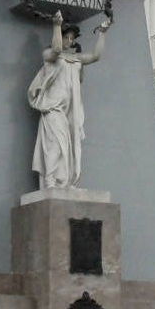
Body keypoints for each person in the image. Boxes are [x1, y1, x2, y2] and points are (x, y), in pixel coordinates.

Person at [27, 10, 110, 189]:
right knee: (56, 144)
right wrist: (56, 25)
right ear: (61, 36)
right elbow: (57, 49)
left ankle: (63, 182)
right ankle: (50, 181)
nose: (70, 41)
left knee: (68, 147)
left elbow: (95, 56)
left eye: (72, 38)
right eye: (67, 37)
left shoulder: (75, 58)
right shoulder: (50, 55)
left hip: (68, 112)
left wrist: (102, 33)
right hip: (53, 109)